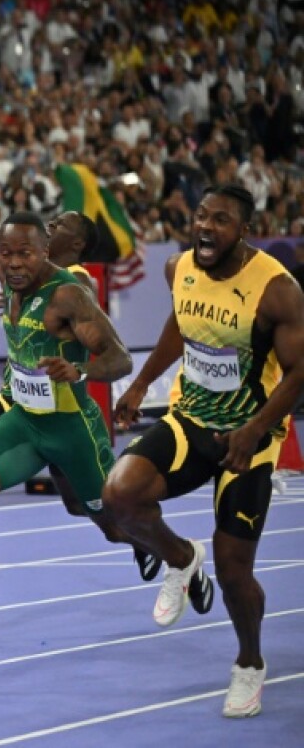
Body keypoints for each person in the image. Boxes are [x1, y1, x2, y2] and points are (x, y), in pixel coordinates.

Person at [105, 184, 304, 718]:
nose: (206, 227)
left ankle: (249, 664)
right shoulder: (178, 269)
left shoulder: (276, 290)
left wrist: (258, 427)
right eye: (200, 216)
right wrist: (142, 382)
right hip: (189, 420)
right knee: (119, 497)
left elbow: (299, 372)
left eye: (221, 220)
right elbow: (181, 324)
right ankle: (180, 558)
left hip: (250, 440)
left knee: (236, 573)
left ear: (244, 230)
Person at [0, 212, 162, 622]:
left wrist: (81, 369)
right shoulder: (17, 276)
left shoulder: (71, 285)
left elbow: (114, 352)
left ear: (62, 247)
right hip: (20, 406)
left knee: (98, 515)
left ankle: (156, 542)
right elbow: (17, 287)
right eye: (7, 253)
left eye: (57, 228)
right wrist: (9, 279)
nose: (52, 226)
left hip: (68, 420)